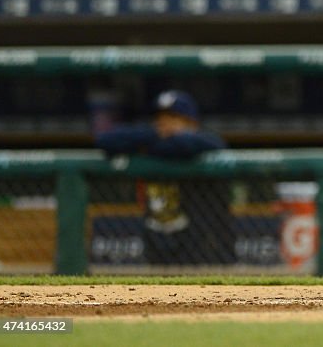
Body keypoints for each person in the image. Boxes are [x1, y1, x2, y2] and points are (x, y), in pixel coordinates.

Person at [94, 90, 233, 265]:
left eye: (173, 118)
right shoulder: (152, 138)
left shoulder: (204, 142)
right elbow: (105, 140)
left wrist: (150, 145)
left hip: (202, 244)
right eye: (160, 118)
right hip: (157, 238)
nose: (164, 124)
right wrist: (153, 136)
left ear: (192, 123)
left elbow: (205, 144)